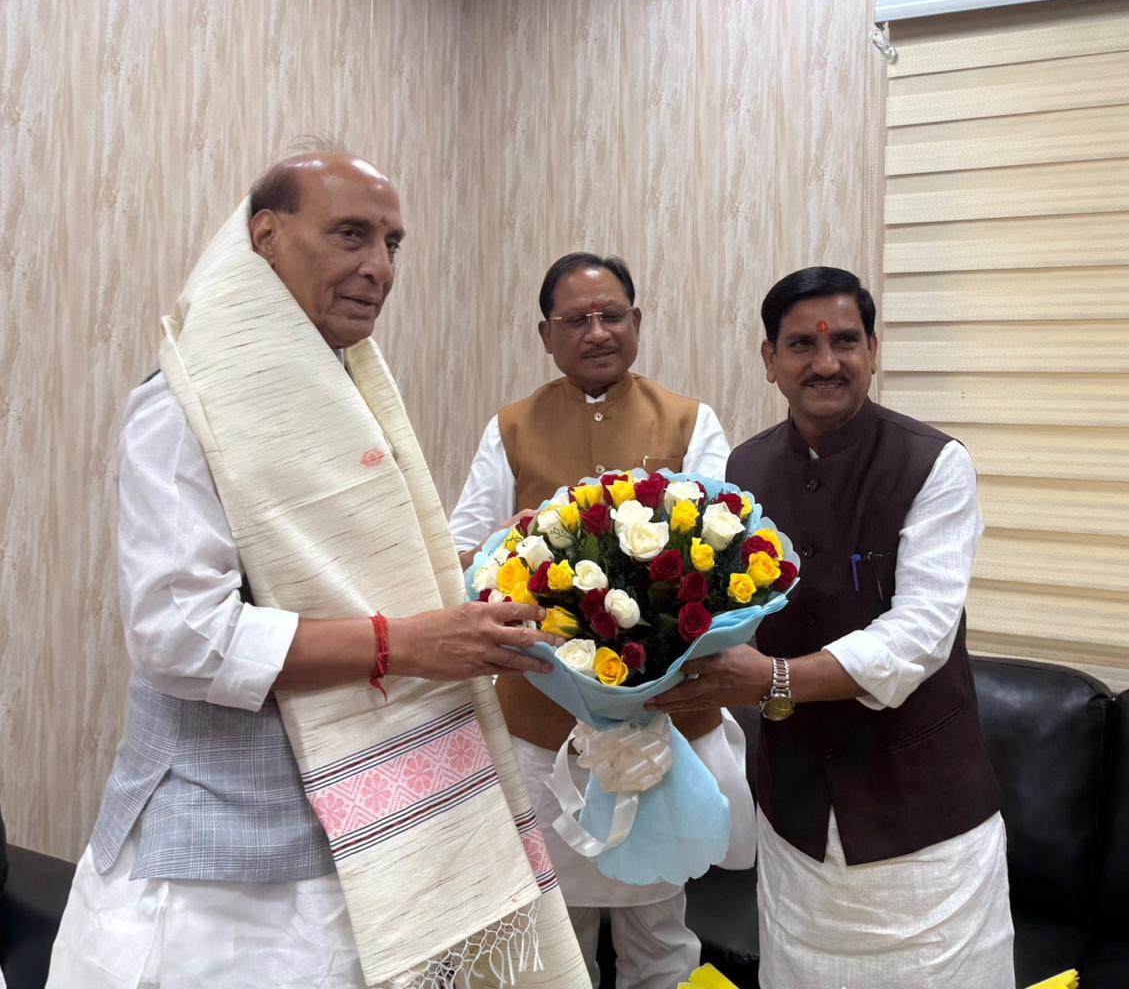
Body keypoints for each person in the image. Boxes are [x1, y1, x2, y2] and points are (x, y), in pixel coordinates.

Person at [48, 154, 589, 988]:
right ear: (265, 236)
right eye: (349, 235)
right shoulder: (184, 405)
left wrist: (496, 568)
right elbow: (180, 637)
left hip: (364, 842)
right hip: (224, 870)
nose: (378, 268)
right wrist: (407, 645)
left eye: (391, 244)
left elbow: (348, 576)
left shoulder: (348, 395)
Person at [650, 265, 1014, 988]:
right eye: (801, 345)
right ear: (769, 360)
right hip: (797, 818)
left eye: (845, 340)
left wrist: (774, 679)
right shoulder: (744, 470)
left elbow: (919, 636)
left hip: (921, 823)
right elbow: (723, 613)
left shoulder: (934, 463)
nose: (826, 362)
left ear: (873, 351)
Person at [449, 253, 752, 989]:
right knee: (556, 931)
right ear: (545, 335)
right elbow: (461, 551)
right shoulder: (511, 427)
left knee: (661, 927)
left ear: (636, 322)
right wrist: (506, 550)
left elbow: (727, 552)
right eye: (576, 320)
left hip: (663, 709)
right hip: (542, 710)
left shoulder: (689, 420)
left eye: (612, 315)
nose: (597, 332)